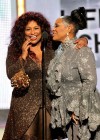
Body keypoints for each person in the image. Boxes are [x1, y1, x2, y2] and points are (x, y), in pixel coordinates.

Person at [2, 11, 88, 140]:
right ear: (22, 31)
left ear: (42, 29)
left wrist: (83, 39)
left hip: (49, 104)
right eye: (28, 29)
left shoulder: (51, 45)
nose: (33, 32)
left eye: (36, 28)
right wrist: (23, 57)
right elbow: (11, 74)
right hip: (24, 106)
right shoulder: (15, 48)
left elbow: (69, 41)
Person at [46, 7, 100, 140]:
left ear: (69, 28)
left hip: (81, 115)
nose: (53, 29)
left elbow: (90, 82)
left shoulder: (81, 50)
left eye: (57, 26)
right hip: (66, 116)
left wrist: (77, 109)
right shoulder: (59, 53)